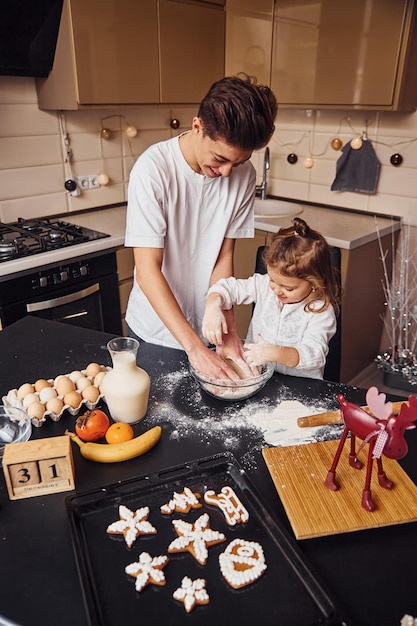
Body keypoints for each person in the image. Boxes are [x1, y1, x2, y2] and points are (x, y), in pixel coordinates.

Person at [124, 74, 278, 379]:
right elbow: (147, 270)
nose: (226, 173)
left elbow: (222, 259)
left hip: (209, 327)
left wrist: (229, 330)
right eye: (220, 159)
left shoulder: (242, 174)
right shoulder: (153, 170)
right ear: (197, 127)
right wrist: (195, 349)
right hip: (157, 332)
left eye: (238, 162)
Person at [202, 217, 340, 379]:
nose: (277, 290)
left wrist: (272, 352)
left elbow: (314, 355)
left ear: (315, 283)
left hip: (301, 386)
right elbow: (226, 288)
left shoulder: (320, 311)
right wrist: (213, 305)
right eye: (273, 280)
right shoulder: (263, 285)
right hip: (260, 378)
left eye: (288, 288)